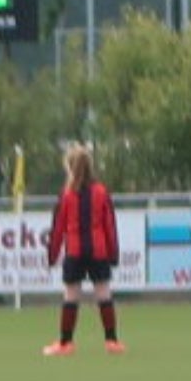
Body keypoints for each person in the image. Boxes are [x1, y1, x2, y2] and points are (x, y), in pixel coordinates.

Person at [42, 143, 124, 357]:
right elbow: (110, 225)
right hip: (98, 251)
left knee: (71, 295)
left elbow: (57, 229)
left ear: (70, 168)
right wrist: (113, 254)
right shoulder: (101, 192)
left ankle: (66, 343)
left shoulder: (66, 195)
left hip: (75, 252)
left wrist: (52, 256)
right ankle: (112, 341)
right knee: (104, 294)